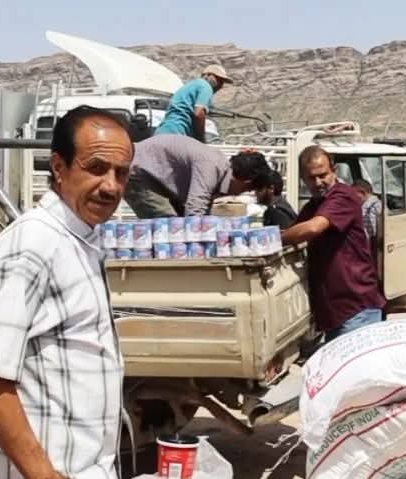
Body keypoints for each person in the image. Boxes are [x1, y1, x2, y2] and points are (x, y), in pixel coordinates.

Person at [0, 105, 135, 479]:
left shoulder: (80, 238)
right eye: (96, 168)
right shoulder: (33, 244)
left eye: (121, 173)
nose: (111, 186)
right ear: (59, 166)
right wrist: (41, 478)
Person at [283, 146, 385, 341]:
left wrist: (274, 240)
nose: (318, 182)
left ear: (334, 171)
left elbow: (313, 228)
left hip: (356, 309)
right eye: (311, 178)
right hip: (335, 313)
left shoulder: (343, 196)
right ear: (302, 179)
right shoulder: (314, 205)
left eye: (323, 175)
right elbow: (295, 230)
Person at [125, 134, 270, 217]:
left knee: (179, 222)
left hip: (156, 176)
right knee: (168, 225)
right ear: (246, 181)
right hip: (139, 172)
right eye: (244, 190)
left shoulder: (219, 166)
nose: (238, 194)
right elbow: (195, 210)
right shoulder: (211, 167)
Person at [156, 64, 233, 141]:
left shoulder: (191, 85)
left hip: (162, 132)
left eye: (222, 82)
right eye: (219, 80)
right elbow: (198, 113)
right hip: (176, 133)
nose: (220, 85)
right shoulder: (205, 86)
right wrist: (201, 139)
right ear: (208, 75)